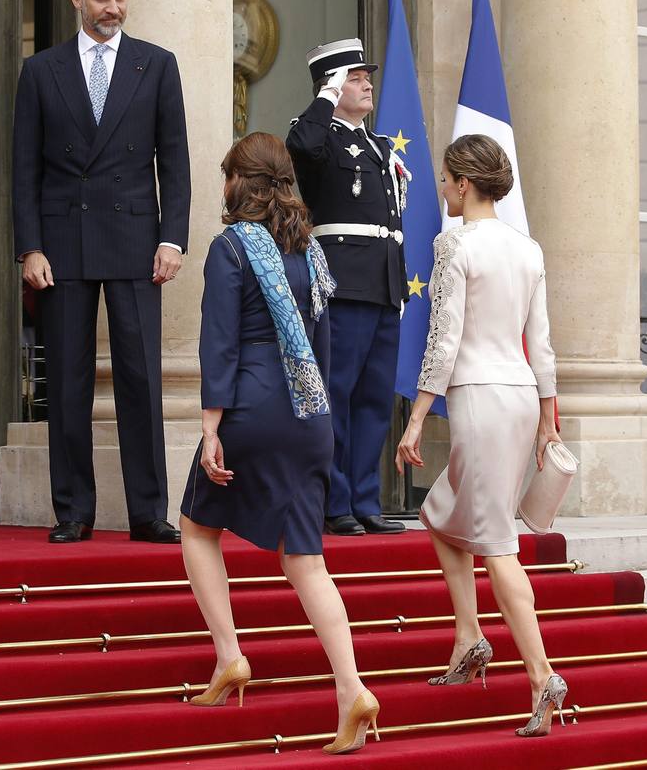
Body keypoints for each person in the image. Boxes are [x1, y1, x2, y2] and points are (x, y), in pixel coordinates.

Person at [182, 133, 378, 756]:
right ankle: (351, 689)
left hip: (250, 407)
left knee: (196, 527)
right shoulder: (310, 251)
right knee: (306, 560)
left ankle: (230, 657)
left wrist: (211, 426)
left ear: (240, 182)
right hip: (308, 412)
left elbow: (221, 342)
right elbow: (323, 348)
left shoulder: (230, 248)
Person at [12, 0, 191, 544]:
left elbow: (177, 162)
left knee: (140, 377)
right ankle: (72, 511)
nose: (112, 9)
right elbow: (23, 171)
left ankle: (148, 511)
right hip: (62, 243)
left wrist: (172, 237)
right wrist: (28, 248)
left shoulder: (156, 65)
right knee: (66, 379)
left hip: (138, 242)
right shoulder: (41, 70)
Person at [395, 134, 565, 737]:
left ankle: (543, 677)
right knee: (441, 512)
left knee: (494, 542)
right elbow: (540, 344)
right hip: (518, 397)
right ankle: (469, 638)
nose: (441, 189)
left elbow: (443, 339)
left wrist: (415, 417)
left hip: (478, 400)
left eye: (445, 179)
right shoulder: (528, 249)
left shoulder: (454, 243)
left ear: (464, 185)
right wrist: (547, 415)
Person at [286, 38, 407, 537]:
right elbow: (302, 147)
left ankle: (364, 500)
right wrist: (325, 97)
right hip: (344, 284)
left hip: (382, 283)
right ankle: (335, 501)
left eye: (366, 77)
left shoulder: (379, 145)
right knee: (337, 395)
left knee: (374, 400)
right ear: (332, 86)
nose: (367, 85)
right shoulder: (319, 135)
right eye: (356, 78)